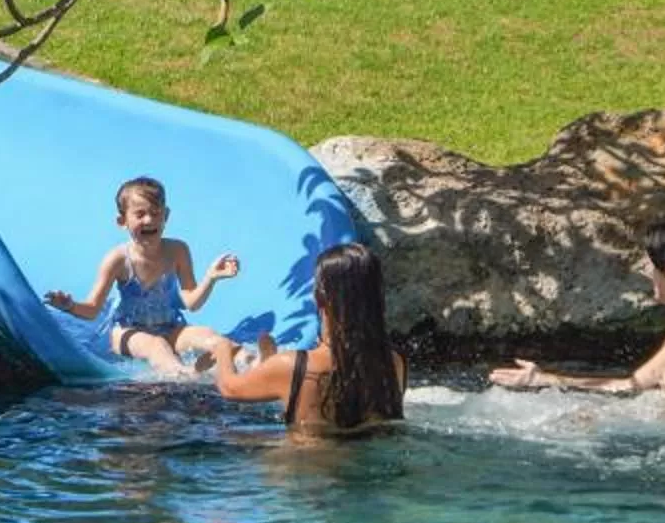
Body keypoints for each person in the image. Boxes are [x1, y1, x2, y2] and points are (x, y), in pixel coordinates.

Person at [488, 213, 665, 408]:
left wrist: (605, 420)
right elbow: (630, 386)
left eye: (651, 265)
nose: (647, 273)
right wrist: (545, 380)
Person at [44, 175, 241, 371]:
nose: (149, 220)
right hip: (128, 332)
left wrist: (211, 278)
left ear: (166, 215)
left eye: (156, 213)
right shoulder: (118, 259)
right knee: (157, 347)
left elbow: (192, 302)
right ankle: (183, 375)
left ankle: (249, 361)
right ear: (122, 221)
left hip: (170, 327)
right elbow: (93, 309)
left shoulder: (178, 250)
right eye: (140, 214)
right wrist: (69, 306)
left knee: (207, 335)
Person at [211, 241, 406, 435]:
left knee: (225, 431)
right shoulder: (394, 362)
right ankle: (266, 366)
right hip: (369, 458)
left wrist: (222, 347)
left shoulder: (295, 365)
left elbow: (230, 388)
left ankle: (266, 367)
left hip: (303, 462)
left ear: (320, 297)